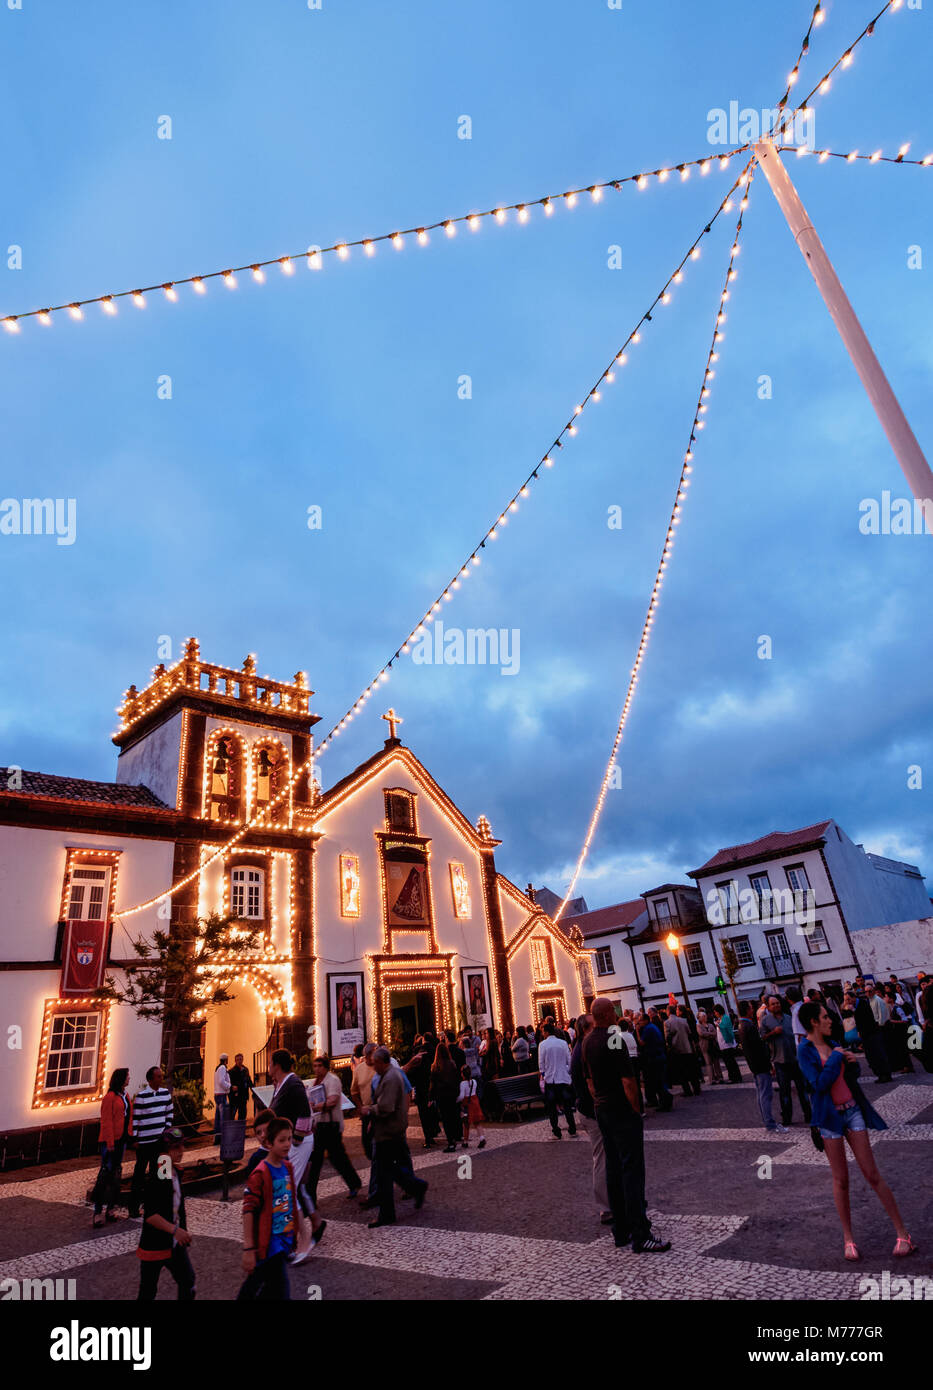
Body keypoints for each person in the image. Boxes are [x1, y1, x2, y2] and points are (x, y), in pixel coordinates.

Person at [797, 1001, 915, 1261]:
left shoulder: (833, 1043)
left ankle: (903, 1233)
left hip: (852, 1111)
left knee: (872, 1173)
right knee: (841, 1180)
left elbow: (850, 1075)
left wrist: (850, 1061)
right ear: (814, 1022)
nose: (831, 1020)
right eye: (826, 1017)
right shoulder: (804, 1050)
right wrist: (838, 1057)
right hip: (829, 1118)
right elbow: (818, 1084)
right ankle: (848, 1239)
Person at [582, 998, 670, 1254]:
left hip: (602, 1110)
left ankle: (620, 1230)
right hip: (621, 1110)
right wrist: (636, 1109)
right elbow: (629, 1081)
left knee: (613, 1169)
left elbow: (589, 1081)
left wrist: (599, 1102)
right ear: (608, 1014)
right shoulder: (614, 1038)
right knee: (632, 1170)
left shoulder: (587, 1041)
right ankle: (640, 1233)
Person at [268, 1048, 325, 1259]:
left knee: (287, 1188)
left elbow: (304, 1112)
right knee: (294, 1187)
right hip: (289, 1142)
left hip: (297, 1143)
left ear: (276, 1065)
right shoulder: (282, 1084)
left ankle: (301, 1241)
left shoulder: (293, 1083)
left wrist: (296, 1140)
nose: (268, 1066)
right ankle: (312, 1225)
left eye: (269, 1062)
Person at [362, 1047, 428, 1227]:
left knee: (386, 1172)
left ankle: (388, 1212)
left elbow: (386, 1106)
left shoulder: (391, 1077)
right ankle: (415, 1187)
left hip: (389, 1130)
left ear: (383, 1062)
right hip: (388, 1130)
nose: (373, 1067)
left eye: (375, 1063)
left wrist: (369, 1110)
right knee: (391, 1170)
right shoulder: (390, 1074)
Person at [238, 1116, 299, 1299]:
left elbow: (293, 1202)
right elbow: (248, 1210)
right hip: (269, 1244)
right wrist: (248, 1249)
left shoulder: (288, 1168)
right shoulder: (261, 1172)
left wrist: (300, 1232)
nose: (287, 1144)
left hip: (283, 1242)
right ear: (269, 1143)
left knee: (263, 1289)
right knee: (279, 1292)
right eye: (281, 1140)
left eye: (289, 1139)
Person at [136, 1127, 195, 1300]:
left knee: (188, 1281)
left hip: (174, 1243)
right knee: (148, 1291)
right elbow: (151, 1215)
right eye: (175, 1148)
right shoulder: (160, 1174)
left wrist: (180, 1231)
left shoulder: (174, 1171)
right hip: (155, 1243)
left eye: (182, 1146)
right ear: (164, 1151)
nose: (180, 1151)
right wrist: (176, 1230)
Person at [570, 1012, 612, 1225]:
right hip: (592, 1111)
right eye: (594, 1026)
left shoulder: (581, 1047)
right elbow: (589, 1085)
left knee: (605, 1157)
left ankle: (612, 1202)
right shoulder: (582, 1051)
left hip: (589, 1110)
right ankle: (606, 1207)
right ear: (586, 1028)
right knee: (602, 1159)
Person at [305, 1055, 361, 1203]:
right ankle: (310, 1194)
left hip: (331, 1125)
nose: (316, 1069)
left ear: (325, 1067)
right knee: (316, 1159)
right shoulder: (314, 1082)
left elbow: (332, 1100)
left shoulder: (333, 1080)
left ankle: (354, 1183)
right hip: (320, 1125)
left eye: (319, 1066)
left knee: (337, 1157)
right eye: (315, 1066)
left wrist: (317, 1106)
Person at [127, 1065, 174, 1219]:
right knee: (139, 1174)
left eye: (161, 1076)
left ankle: (160, 1206)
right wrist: (134, 1138)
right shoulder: (141, 1097)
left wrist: (166, 1132)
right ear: (150, 1079)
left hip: (161, 1142)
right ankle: (134, 1207)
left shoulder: (165, 1094)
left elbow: (169, 1114)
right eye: (158, 1076)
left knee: (162, 1174)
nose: (161, 1079)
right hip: (145, 1143)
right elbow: (137, 1119)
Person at [760, 995, 811, 1126]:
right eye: (773, 1004)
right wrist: (773, 1033)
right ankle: (787, 1118)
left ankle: (809, 1115)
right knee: (785, 1092)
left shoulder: (789, 1018)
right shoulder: (765, 1021)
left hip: (795, 1059)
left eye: (777, 1003)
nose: (776, 1006)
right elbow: (762, 1038)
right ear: (769, 1007)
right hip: (780, 1061)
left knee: (802, 1089)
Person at [91, 1067, 131, 1227]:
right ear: (120, 1079)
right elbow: (106, 1121)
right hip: (110, 1142)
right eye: (127, 1077)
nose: (129, 1079)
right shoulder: (109, 1098)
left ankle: (111, 1209)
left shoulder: (125, 1096)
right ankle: (97, 1211)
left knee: (116, 1175)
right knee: (104, 1175)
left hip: (121, 1140)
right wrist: (110, 1143)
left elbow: (128, 1116)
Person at [738, 1002, 786, 1134]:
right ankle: (770, 1123)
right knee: (766, 1094)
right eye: (751, 1008)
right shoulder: (749, 1026)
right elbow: (759, 1048)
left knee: (761, 1094)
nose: (752, 1010)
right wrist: (768, 1064)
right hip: (760, 1065)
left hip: (754, 1065)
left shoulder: (742, 1025)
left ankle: (767, 1120)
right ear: (748, 1010)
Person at [538, 1020, 577, 1138]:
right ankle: (572, 1128)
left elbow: (541, 1063)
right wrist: (566, 1071)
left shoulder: (543, 1045)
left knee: (552, 1106)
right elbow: (569, 1060)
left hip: (550, 1078)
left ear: (546, 1032)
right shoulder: (563, 1043)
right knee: (567, 1105)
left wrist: (544, 1074)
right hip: (563, 1077)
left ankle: (556, 1131)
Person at [403, 1035, 439, 1149]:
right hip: (432, 1088)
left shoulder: (418, 1062)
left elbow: (411, 1075)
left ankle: (428, 1138)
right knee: (432, 1112)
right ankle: (433, 1133)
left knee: (424, 1115)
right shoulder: (434, 1053)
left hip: (422, 1090)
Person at [855, 982, 892, 1083]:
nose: (868, 993)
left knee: (880, 1052)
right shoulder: (868, 1001)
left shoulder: (878, 1000)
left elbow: (882, 1014)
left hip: (879, 1027)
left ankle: (886, 1073)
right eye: (866, 991)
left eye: (870, 991)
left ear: (874, 991)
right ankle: (882, 1073)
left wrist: (879, 1025)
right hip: (872, 1028)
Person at [430, 1037, 462, 1152]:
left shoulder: (435, 1066)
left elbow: (432, 1083)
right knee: (453, 1116)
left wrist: (431, 1097)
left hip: (442, 1095)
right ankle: (457, 1137)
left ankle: (451, 1142)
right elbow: (457, 1078)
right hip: (452, 1094)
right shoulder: (452, 1064)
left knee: (446, 1119)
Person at [639, 1009, 673, 1111]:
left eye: (640, 1020)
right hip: (660, 1056)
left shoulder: (648, 1029)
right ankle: (665, 1101)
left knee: (658, 1081)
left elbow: (642, 1043)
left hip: (655, 1058)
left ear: (645, 1020)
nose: (639, 1022)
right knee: (660, 1080)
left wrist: (637, 1031)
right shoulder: (652, 1026)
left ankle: (665, 1102)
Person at [665, 1007, 700, 1097]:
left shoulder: (667, 1022)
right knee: (691, 1070)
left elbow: (667, 1037)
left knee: (682, 1072)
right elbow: (689, 1033)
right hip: (687, 1048)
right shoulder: (683, 1020)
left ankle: (687, 1091)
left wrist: (670, 1046)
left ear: (668, 1012)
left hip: (677, 1049)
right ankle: (696, 1089)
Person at [713, 1004, 742, 1083]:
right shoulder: (722, 1019)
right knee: (728, 1061)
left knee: (730, 1061)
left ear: (719, 1011)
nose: (715, 1013)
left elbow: (725, 1027)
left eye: (715, 1012)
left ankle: (735, 1077)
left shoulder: (725, 1017)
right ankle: (733, 1077)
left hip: (727, 1043)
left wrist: (718, 1025)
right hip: (723, 1044)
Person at [458, 1065, 486, 1148]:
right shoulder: (474, 1081)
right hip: (475, 1102)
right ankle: (482, 1138)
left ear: (462, 1074)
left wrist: (457, 1100)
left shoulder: (462, 1083)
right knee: (477, 1122)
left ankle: (465, 1142)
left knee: (466, 1124)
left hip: (467, 1104)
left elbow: (462, 1096)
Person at [244, 1108, 277, 1178]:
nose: (263, 1135)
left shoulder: (282, 1153)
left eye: (267, 1130)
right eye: (259, 1132)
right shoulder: (256, 1159)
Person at [696, 1010, 723, 1084]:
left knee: (716, 1062)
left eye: (705, 1016)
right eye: (703, 1016)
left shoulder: (710, 1025)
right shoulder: (698, 1026)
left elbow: (715, 1033)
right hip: (705, 1046)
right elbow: (701, 1034)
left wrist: (709, 1034)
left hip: (713, 1045)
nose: (705, 1017)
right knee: (709, 1063)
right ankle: (712, 1079)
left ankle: (720, 1077)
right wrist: (710, 1034)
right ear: (699, 1018)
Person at [229, 1053, 253, 1122]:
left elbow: (249, 1081)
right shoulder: (231, 1071)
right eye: (238, 1060)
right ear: (235, 1061)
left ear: (242, 1060)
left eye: (241, 1059)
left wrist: (254, 1089)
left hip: (243, 1096)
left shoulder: (245, 1070)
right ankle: (231, 1130)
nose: (239, 1061)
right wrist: (231, 1088)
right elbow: (229, 1084)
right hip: (235, 1097)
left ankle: (241, 1129)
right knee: (232, 1115)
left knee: (243, 1114)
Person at [213, 1053, 231, 1142]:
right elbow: (221, 1081)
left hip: (217, 1094)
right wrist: (229, 1086)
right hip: (221, 1094)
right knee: (223, 1117)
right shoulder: (223, 1068)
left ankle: (217, 1136)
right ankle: (224, 1137)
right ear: (225, 1060)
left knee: (218, 1117)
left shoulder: (217, 1068)